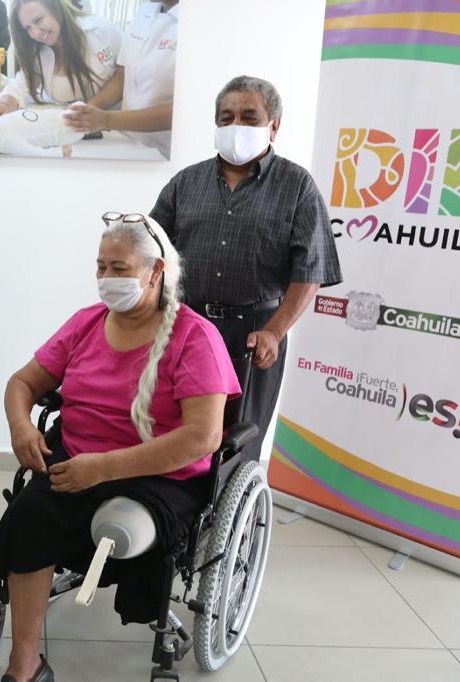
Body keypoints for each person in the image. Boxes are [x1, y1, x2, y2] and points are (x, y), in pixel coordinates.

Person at [0, 214, 240, 682]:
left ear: (155, 271)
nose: (106, 278)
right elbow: (21, 382)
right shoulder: (85, 323)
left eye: (119, 268)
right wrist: (20, 427)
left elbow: (203, 436)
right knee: (28, 519)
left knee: (121, 530)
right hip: (76, 460)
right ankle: (25, 662)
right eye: (101, 266)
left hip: (160, 478)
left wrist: (104, 468)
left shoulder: (195, 336)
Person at [149, 75, 342, 461]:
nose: (236, 125)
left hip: (253, 334)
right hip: (186, 325)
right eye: (227, 117)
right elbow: (151, 252)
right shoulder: (186, 183)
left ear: (274, 125)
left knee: (237, 441)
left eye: (249, 117)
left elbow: (311, 270)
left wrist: (274, 331)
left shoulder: (297, 186)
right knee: (174, 431)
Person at [63, 0, 179, 156]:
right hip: (128, 142)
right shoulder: (145, 11)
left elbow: (182, 111)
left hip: (166, 151)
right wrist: (85, 111)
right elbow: (122, 77)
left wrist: (107, 120)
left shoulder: (199, 23)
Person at [0, 0, 121, 116]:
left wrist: (88, 108)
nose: (35, 33)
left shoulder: (100, 30)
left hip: (113, 124)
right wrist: (3, 105)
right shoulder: (38, 52)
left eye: (38, 20)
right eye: (28, 28)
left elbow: (123, 75)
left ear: (55, 7)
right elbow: (18, 86)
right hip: (69, 126)